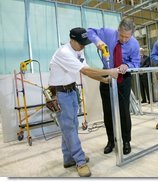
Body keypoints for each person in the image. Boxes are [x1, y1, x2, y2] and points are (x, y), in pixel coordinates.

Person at [48, 27, 119, 177]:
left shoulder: (79, 51)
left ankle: (68, 158)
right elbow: (86, 71)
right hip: (60, 94)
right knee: (69, 128)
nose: (83, 46)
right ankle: (80, 161)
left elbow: (84, 69)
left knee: (70, 127)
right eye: (80, 43)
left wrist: (103, 80)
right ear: (72, 40)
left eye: (84, 43)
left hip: (72, 91)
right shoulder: (64, 53)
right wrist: (109, 71)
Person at [87, 18, 140, 155]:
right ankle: (111, 141)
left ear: (132, 34)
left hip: (123, 77)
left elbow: (136, 63)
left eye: (126, 37)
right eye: (121, 35)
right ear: (118, 30)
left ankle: (126, 141)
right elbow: (89, 31)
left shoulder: (134, 44)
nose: (123, 39)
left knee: (124, 111)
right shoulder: (108, 33)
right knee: (108, 111)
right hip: (106, 74)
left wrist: (127, 65)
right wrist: (98, 41)